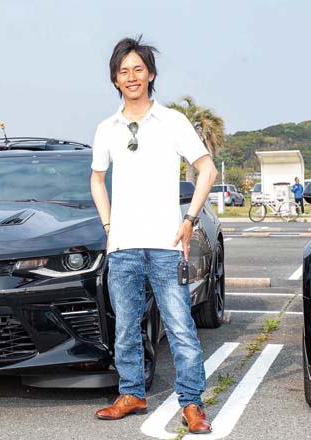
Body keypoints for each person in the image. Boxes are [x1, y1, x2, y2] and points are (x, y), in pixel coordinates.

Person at [90, 36, 218, 435]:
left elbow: (207, 169)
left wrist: (189, 219)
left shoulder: (173, 122)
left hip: (165, 245)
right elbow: (96, 179)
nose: (131, 77)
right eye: (124, 70)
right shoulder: (107, 128)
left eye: (138, 69)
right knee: (126, 326)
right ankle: (132, 392)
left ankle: (192, 403)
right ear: (115, 79)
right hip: (124, 246)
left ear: (151, 75)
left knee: (180, 326)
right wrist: (109, 226)